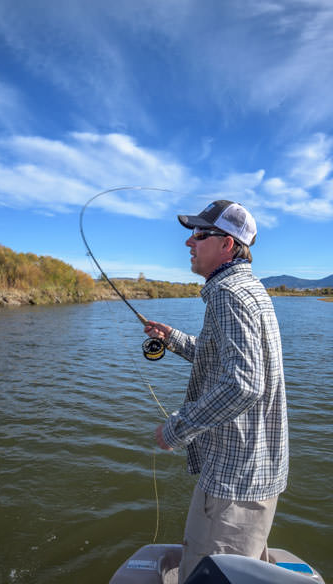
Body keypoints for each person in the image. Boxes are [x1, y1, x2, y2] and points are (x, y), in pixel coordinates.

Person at [144, 200, 288, 582]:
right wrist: (171, 338)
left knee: (211, 575)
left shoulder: (229, 295)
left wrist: (176, 429)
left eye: (199, 234)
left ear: (227, 244)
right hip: (253, 474)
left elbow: (243, 384)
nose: (189, 242)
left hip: (233, 482)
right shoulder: (246, 289)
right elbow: (222, 362)